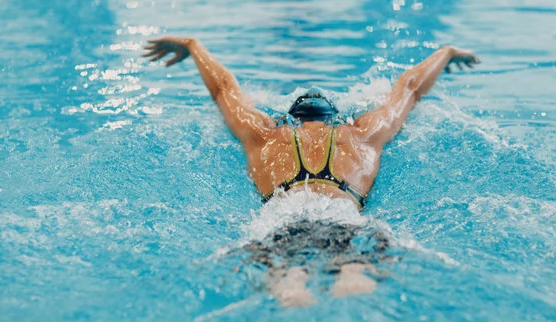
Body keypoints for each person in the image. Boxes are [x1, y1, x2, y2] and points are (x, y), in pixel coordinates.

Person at [143, 36, 479, 306]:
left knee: (288, 279)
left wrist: (192, 45)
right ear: (335, 118)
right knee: (354, 272)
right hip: (342, 217)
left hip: (282, 220)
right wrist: (446, 52)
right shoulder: (361, 133)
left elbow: (223, 90)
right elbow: (409, 89)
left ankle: (292, 287)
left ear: (290, 119)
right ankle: (352, 278)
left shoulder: (265, 134)